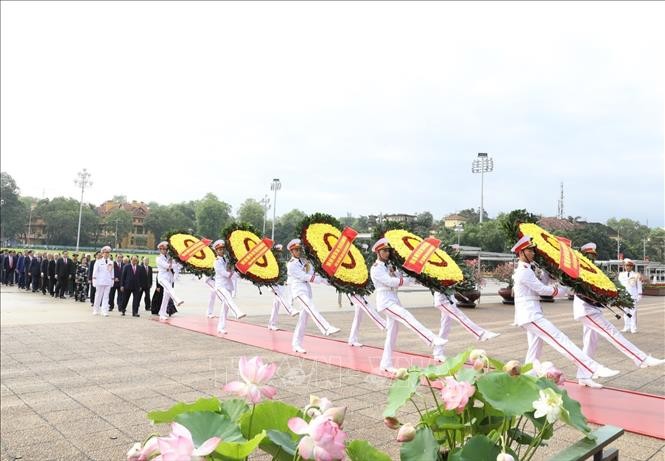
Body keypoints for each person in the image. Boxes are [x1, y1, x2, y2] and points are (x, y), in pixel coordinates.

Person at [511, 235, 619, 381]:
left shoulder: (529, 268)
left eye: (532, 250)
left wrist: (548, 271)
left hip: (531, 313)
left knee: (534, 349)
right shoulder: (523, 271)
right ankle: (593, 368)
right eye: (529, 251)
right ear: (520, 253)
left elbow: (540, 282)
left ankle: (527, 376)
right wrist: (565, 290)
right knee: (560, 339)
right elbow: (542, 289)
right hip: (530, 315)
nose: (533, 253)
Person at [572, 243, 665, 388]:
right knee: (612, 333)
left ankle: (583, 375)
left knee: (590, 343)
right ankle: (641, 358)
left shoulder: (591, 270)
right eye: (590, 255)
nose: (592, 258)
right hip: (586, 309)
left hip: (594, 308)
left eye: (594, 256)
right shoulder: (579, 270)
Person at [370, 238, 446, 374]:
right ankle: (431, 339)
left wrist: (410, 276)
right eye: (384, 251)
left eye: (388, 250)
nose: (387, 253)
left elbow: (399, 276)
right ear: (378, 252)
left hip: (393, 298)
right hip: (385, 300)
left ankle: (385, 364)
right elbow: (391, 282)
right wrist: (408, 280)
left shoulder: (389, 266)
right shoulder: (375, 268)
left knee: (392, 334)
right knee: (406, 316)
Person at [287, 239, 340, 353]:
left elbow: (311, 274)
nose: (298, 251)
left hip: (306, 289)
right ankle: (326, 328)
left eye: (299, 249)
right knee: (312, 308)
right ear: (291, 252)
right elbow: (304, 276)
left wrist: (327, 281)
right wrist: (319, 280)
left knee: (303, 320)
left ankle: (296, 344)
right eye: (296, 250)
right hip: (298, 290)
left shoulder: (305, 261)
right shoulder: (291, 264)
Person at [431, 290, 500, 362]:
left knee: (445, 326)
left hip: (449, 298)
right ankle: (481, 334)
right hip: (442, 300)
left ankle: (438, 353)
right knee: (460, 316)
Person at [207, 240, 246, 334]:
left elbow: (232, 271)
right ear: (216, 251)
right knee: (228, 299)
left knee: (224, 308)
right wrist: (231, 271)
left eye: (222, 249)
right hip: (220, 286)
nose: (221, 251)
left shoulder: (227, 259)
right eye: (219, 249)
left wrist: (239, 272)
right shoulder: (216, 262)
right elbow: (226, 274)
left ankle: (221, 327)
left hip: (228, 286)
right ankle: (237, 312)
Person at [267, 244, 297, 331]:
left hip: (281, 284)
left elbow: (284, 272)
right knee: (281, 297)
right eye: (278, 250)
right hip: (274, 284)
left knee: (276, 305)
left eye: (281, 250)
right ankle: (290, 310)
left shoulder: (281, 260)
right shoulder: (272, 260)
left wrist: (285, 281)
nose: (280, 252)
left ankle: (271, 324)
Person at [156, 241, 184, 321]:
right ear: (160, 250)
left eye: (165, 249)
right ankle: (177, 299)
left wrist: (178, 263)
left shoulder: (169, 257)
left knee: (166, 297)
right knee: (169, 289)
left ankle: (162, 313)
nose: (164, 251)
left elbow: (176, 266)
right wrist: (174, 264)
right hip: (162, 278)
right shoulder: (158, 258)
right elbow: (167, 266)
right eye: (162, 249)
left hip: (169, 278)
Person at [618, 259, 642, 333]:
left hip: (633, 296)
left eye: (629, 266)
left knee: (633, 312)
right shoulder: (621, 274)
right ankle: (626, 327)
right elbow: (619, 285)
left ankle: (633, 328)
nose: (627, 267)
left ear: (632, 267)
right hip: (624, 296)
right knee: (625, 312)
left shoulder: (636, 275)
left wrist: (639, 295)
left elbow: (639, 285)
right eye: (626, 266)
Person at [91, 246, 114, 316]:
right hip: (99, 281)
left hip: (107, 281)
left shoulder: (111, 262)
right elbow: (95, 272)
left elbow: (112, 272)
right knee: (98, 296)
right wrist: (94, 281)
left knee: (106, 297)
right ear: (102, 253)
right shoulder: (98, 262)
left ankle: (104, 311)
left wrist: (112, 280)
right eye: (105, 253)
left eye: (108, 253)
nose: (106, 254)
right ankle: (96, 310)